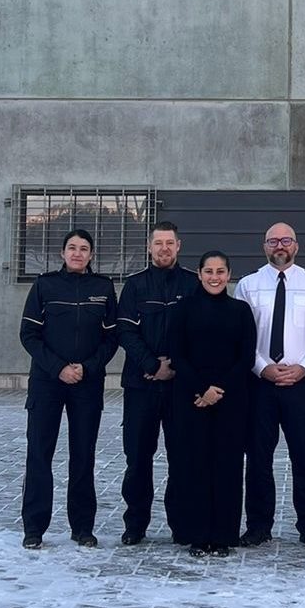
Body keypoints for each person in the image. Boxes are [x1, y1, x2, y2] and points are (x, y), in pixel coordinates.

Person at [17, 228, 118, 549]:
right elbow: (29, 335)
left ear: (91, 255)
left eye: (84, 248)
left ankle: (82, 527)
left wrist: (85, 368)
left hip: (87, 385)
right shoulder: (44, 285)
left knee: (83, 457)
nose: (77, 253)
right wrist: (58, 368)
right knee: (39, 455)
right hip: (48, 383)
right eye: (72, 248)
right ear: (63, 253)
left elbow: (111, 339)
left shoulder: (103, 289)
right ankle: (34, 529)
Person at [234, 221, 305, 548]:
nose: (280, 245)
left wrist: (303, 368)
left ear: (296, 245)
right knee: (259, 458)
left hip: (300, 384)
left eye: (286, 240)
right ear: (264, 247)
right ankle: (259, 526)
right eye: (273, 240)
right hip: (260, 384)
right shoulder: (248, 285)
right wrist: (263, 368)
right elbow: (242, 336)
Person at [166, 249, 258, 556]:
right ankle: (197, 534)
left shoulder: (241, 311)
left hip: (231, 398)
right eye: (209, 271)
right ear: (200, 274)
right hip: (191, 398)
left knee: (227, 466)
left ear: (229, 275)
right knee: (195, 466)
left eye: (220, 272)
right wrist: (202, 389)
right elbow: (177, 354)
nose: (214, 277)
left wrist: (218, 389)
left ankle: (223, 535)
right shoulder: (183, 309)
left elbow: (245, 357)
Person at [115, 219, 198, 546]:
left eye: (170, 243)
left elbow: (198, 331)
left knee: (181, 458)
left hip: (179, 386)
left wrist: (174, 366)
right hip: (141, 385)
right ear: (149, 247)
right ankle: (135, 524)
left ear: (179, 246)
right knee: (137, 458)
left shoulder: (193, 284)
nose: (164, 248)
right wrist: (151, 364)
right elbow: (125, 331)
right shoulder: (134, 285)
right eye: (158, 243)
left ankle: (181, 525)